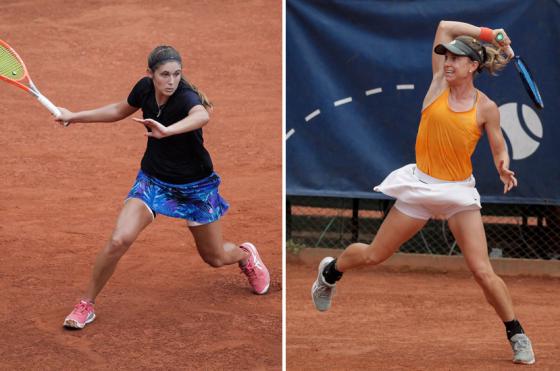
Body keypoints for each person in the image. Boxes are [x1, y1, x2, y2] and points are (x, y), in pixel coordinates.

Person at [311, 21, 535, 365]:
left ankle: (516, 333)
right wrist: (489, 34)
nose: (448, 63)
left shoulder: (486, 108)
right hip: (419, 186)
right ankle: (330, 272)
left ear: (472, 66)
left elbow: (497, 146)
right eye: (446, 57)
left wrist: (503, 166)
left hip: (459, 193)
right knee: (374, 255)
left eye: (456, 59)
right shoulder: (437, 85)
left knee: (482, 270)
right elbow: (445, 27)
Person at [58, 45, 270, 330]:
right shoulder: (144, 89)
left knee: (215, 257)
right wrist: (74, 115)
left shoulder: (185, 96)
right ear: (150, 74)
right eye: (165, 75)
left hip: (196, 188)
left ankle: (245, 255)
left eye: (176, 74)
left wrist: (167, 130)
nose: (171, 81)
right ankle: (86, 304)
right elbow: (119, 109)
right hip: (153, 181)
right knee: (119, 239)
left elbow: (201, 116)